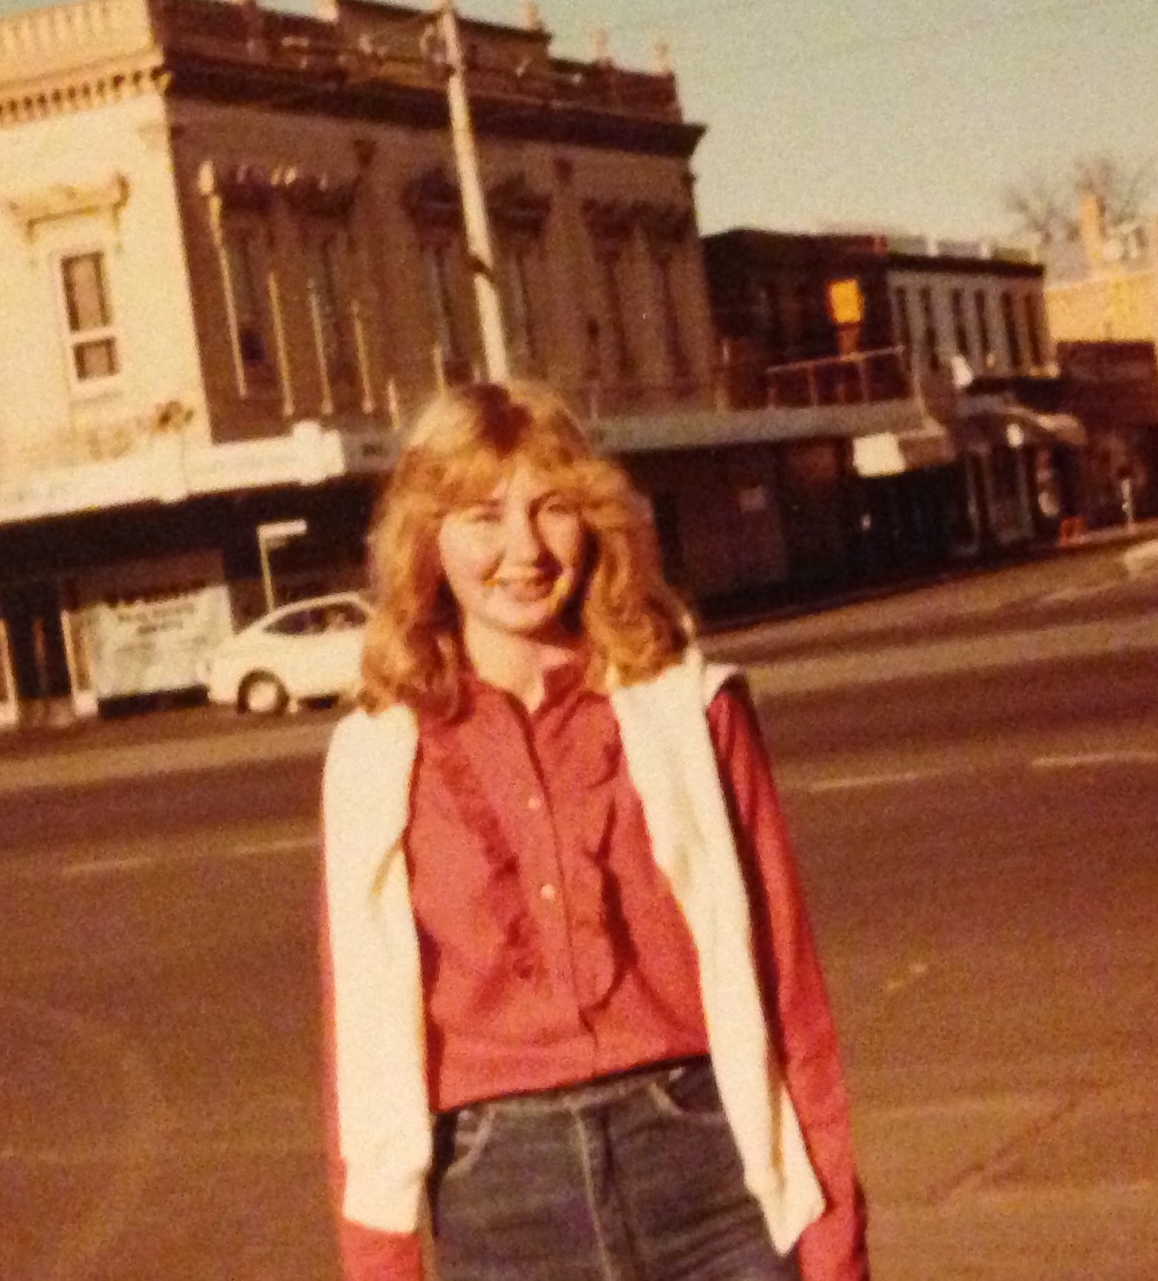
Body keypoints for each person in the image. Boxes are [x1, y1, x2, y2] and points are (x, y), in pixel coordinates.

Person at [320, 381, 870, 1281]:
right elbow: (361, 1042)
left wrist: (835, 1243)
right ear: (428, 536)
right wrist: (381, 1263)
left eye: (553, 507)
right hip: (500, 1196)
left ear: (596, 519)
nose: (524, 549)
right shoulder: (376, 754)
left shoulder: (690, 709)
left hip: (710, 1174)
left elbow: (790, 996)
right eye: (483, 516)